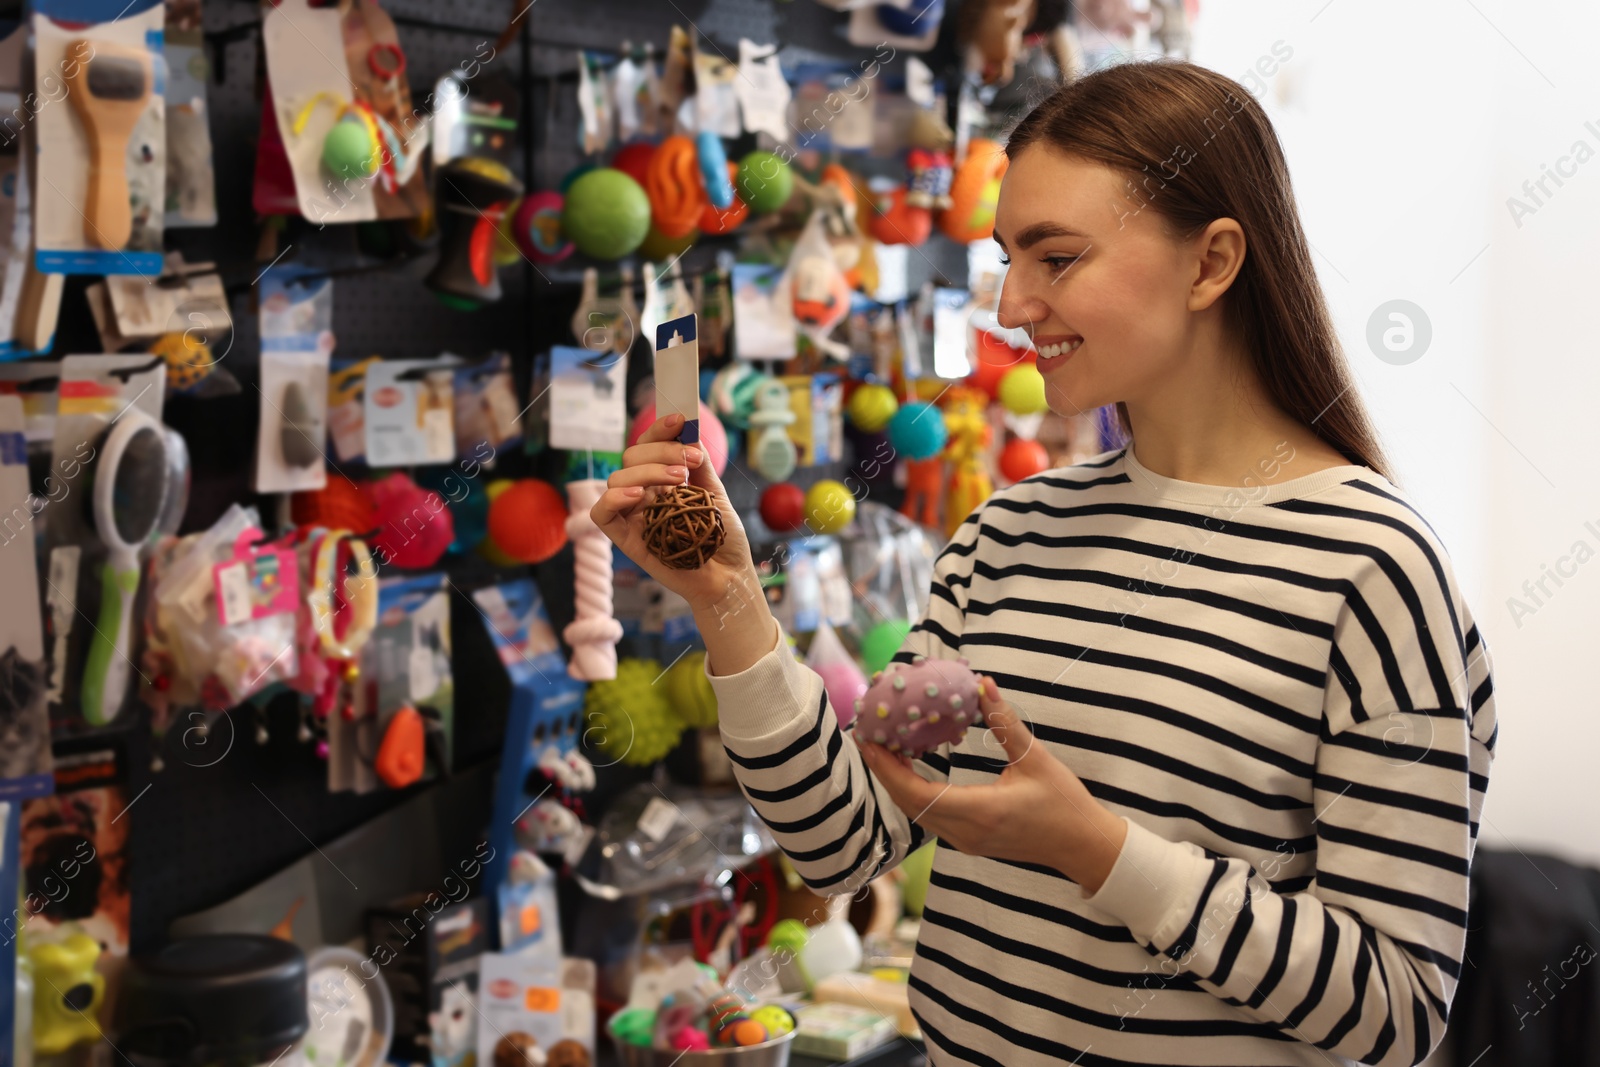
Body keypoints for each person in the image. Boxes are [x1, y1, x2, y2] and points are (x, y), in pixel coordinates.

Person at [593, 59, 1498, 1067]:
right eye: (1004, 259)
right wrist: (727, 602)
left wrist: (1095, 849)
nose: (1012, 304)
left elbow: (1397, 1009)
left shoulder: (1372, 567)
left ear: (1212, 263)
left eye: (1055, 257)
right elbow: (845, 843)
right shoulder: (1007, 533)